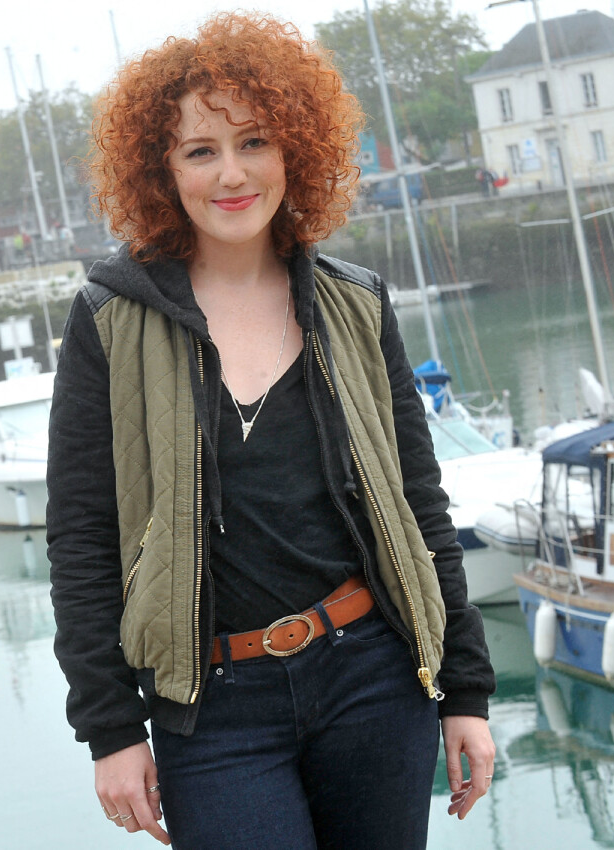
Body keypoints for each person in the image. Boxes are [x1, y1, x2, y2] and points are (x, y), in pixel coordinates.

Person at [47, 12, 496, 849]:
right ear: (162, 169)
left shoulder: (356, 305)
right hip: (214, 706)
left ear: (295, 148)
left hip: (374, 676)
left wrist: (464, 692)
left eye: (254, 141)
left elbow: (419, 504)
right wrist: (110, 729)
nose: (232, 174)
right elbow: (81, 538)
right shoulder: (108, 321)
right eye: (200, 150)